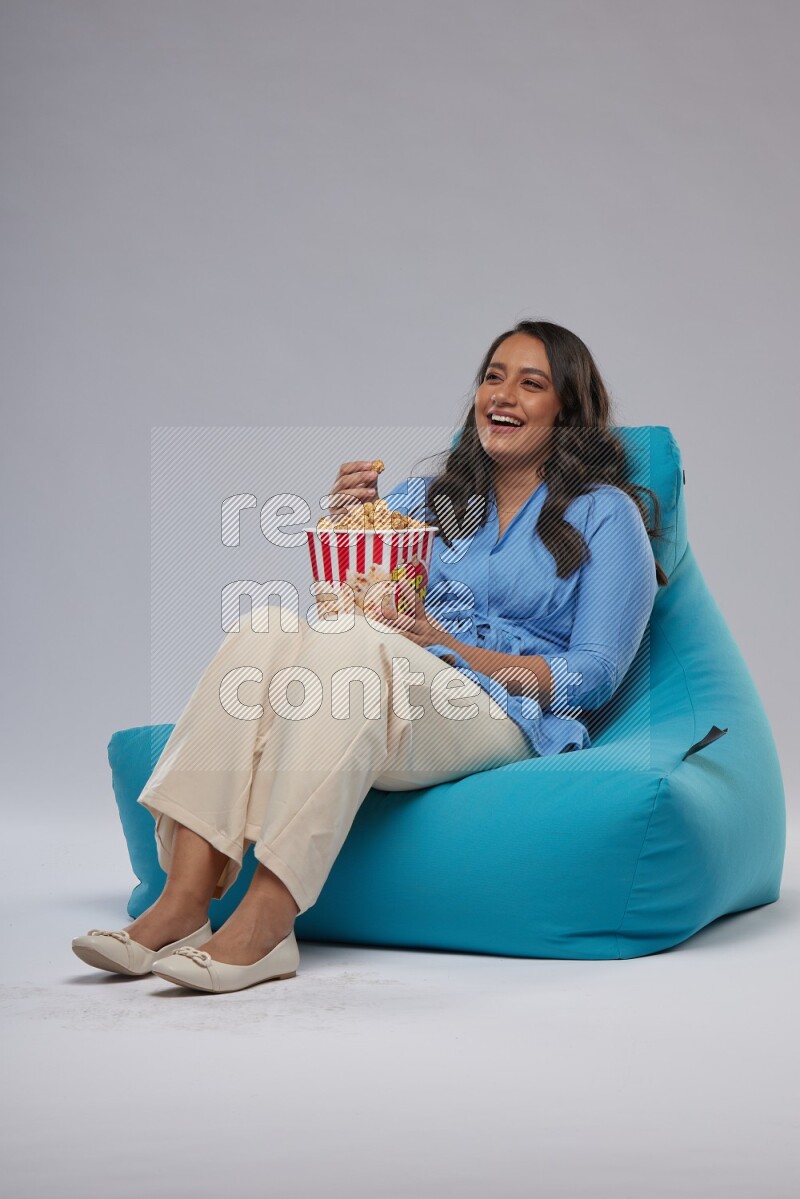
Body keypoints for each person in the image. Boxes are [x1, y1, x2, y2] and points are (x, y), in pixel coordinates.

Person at [72, 319, 666, 993]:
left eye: (532, 383)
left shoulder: (605, 515)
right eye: (493, 375)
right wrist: (348, 528)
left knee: (351, 643)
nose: (503, 394)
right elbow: (346, 615)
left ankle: (269, 917)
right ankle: (182, 899)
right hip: (383, 687)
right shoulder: (422, 502)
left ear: (567, 409)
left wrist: (448, 645)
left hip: (504, 714)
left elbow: (593, 675)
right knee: (266, 623)